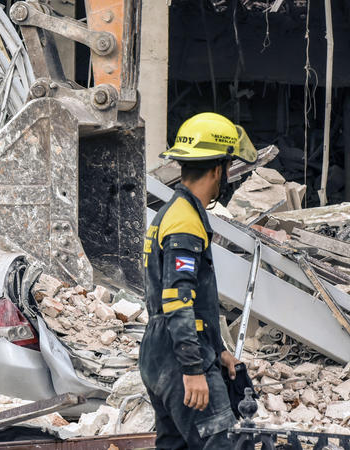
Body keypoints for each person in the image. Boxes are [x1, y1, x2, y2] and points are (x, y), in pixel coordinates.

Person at [139, 112, 258, 449]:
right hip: (180, 357)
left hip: (162, 350)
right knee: (221, 441)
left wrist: (218, 350)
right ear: (219, 168)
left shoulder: (174, 211)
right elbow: (178, 300)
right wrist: (193, 369)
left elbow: (184, 300)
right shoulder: (185, 222)